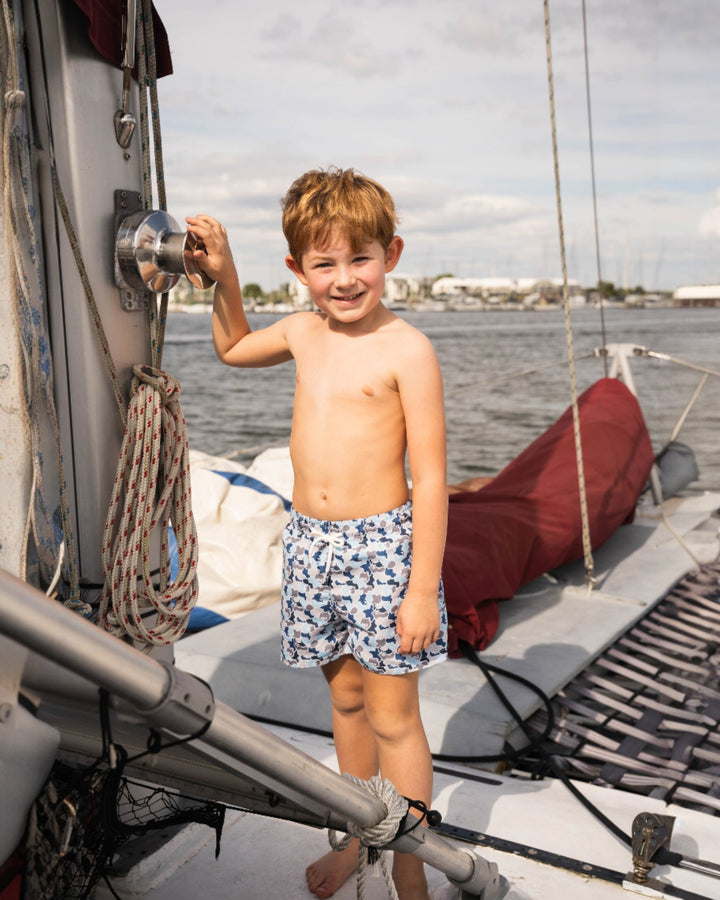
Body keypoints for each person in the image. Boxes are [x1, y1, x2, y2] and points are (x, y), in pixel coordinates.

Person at [186, 167, 448, 900]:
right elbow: (234, 348)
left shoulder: (408, 350)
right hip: (310, 547)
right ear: (298, 270)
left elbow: (429, 479)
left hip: (382, 551)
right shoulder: (302, 330)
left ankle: (409, 860)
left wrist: (421, 589)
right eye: (323, 264)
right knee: (346, 704)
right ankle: (357, 835)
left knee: (396, 717)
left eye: (358, 259)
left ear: (390, 255)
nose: (343, 280)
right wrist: (225, 275)